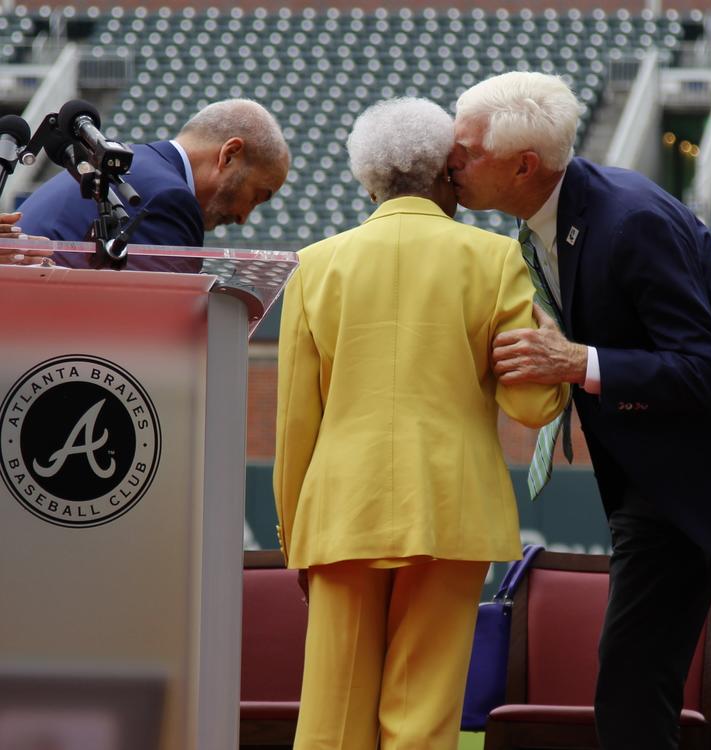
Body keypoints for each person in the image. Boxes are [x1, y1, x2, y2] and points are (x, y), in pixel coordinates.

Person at [449, 71, 711, 750]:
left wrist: (580, 363)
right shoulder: (541, 219)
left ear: (524, 166)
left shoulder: (630, 220)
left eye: (465, 150)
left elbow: (704, 371)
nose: (448, 160)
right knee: (629, 685)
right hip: (656, 478)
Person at [273, 97, 569, 750]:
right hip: (450, 507)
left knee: (331, 717)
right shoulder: (496, 260)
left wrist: (297, 535)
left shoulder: (315, 264)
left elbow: (296, 422)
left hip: (341, 512)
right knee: (423, 716)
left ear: (368, 178)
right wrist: (558, 352)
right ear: (445, 173)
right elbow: (531, 404)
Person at [15, 98, 289, 272]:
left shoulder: (134, 168)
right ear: (229, 155)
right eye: (256, 197)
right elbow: (161, 331)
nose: (243, 218)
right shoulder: (168, 199)